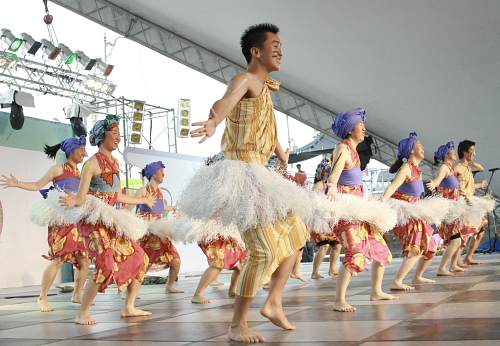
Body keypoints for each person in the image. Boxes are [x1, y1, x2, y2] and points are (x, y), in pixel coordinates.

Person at [187, 23, 310, 343]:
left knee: (298, 234)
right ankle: (237, 324)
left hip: (262, 170)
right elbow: (225, 102)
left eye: (282, 45)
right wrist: (214, 120)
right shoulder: (245, 79)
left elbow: (268, 126)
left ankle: (273, 302)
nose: (281, 50)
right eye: (275, 45)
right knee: (263, 252)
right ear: (256, 51)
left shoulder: (266, 87)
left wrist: (282, 153)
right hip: (242, 172)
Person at [59, 115, 156, 325]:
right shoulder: (92, 163)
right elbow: (83, 197)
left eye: (120, 134)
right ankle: (82, 313)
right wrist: (73, 200)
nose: (118, 138)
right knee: (106, 266)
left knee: (141, 258)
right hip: (94, 222)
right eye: (114, 133)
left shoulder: (114, 161)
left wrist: (142, 200)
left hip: (112, 220)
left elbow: (116, 195)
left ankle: (129, 307)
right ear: (102, 135)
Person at [1, 136, 90, 312]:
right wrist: (17, 183)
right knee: (58, 259)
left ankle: (78, 294)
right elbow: (37, 185)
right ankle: (42, 297)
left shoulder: (82, 174)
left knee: (84, 260)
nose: (84, 153)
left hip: (77, 221)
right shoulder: (57, 169)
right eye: (80, 150)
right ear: (72, 150)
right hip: (61, 220)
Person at [327, 108, 397, 312]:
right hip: (347, 210)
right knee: (356, 253)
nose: (364, 128)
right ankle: (339, 300)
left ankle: (376, 292)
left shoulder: (354, 150)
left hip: (359, 209)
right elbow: (334, 175)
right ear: (350, 129)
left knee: (381, 250)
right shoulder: (343, 149)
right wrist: (331, 186)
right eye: (361, 125)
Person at [382, 132, 436, 291]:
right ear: (412, 150)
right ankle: (397, 281)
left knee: (429, 246)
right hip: (407, 213)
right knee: (416, 247)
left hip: (417, 211)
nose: (423, 147)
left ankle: (417, 276)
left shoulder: (417, 169)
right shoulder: (407, 167)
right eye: (419, 145)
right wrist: (384, 200)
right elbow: (392, 187)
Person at [124, 161, 183, 294]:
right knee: (142, 265)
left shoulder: (160, 191)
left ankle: (169, 287)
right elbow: (129, 208)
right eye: (161, 171)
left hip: (159, 233)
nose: (163, 174)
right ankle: (128, 294)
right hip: (146, 234)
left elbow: (160, 208)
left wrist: (173, 208)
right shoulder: (143, 191)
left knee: (176, 261)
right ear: (153, 173)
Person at [427, 141, 465, 275]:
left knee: (459, 240)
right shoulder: (444, 167)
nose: (455, 153)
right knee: (456, 240)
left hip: (454, 210)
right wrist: (434, 184)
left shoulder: (451, 168)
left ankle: (453, 265)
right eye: (453, 151)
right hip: (448, 211)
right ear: (447, 155)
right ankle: (442, 268)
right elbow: (437, 181)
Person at [310, 179, 342, 279]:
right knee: (324, 245)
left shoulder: (338, 185)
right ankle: (314, 272)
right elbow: (312, 200)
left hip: (330, 220)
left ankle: (332, 269)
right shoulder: (321, 184)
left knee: (337, 245)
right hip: (319, 219)